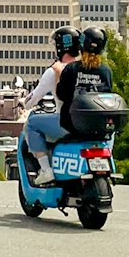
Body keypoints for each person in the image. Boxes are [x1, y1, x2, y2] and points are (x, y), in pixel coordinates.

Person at [22, 26, 80, 185]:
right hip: (86, 123)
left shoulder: (55, 71)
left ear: (61, 47)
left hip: (66, 123)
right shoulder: (83, 68)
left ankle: (46, 169)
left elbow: (32, 99)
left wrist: (24, 102)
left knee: (31, 124)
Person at [56, 25, 113, 140]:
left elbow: (61, 95)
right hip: (98, 127)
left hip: (72, 125)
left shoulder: (71, 68)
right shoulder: (106, 71)